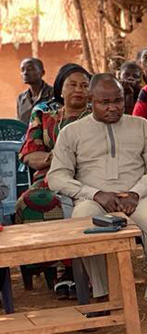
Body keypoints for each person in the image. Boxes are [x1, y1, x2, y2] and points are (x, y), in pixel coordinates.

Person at [47, 74, 147, 328]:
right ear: (91, 101)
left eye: (118, 101)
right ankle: (103, 296)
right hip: (95, 198)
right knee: (82, 221)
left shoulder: (141, 126)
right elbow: (56, 177)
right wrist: (94, 193)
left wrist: (137, 191)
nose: (112, 107)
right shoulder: (72, 132)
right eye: (105, 102)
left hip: (137, 197)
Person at [16, 64, 91, 223]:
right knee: (32, 201)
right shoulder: (43, 115)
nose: (79, 89)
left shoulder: (98, 117)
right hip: (49, 180)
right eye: (72, 85)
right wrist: (60, 157)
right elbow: (29, 155)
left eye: (84, 86)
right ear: (61, 90)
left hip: (90, 177)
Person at [16, 58, 54, 124]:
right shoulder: (21, 98)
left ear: (42, 73)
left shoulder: (54, 94)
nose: (25, 73)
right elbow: (20, 124)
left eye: (30, 69)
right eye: (22, 70)